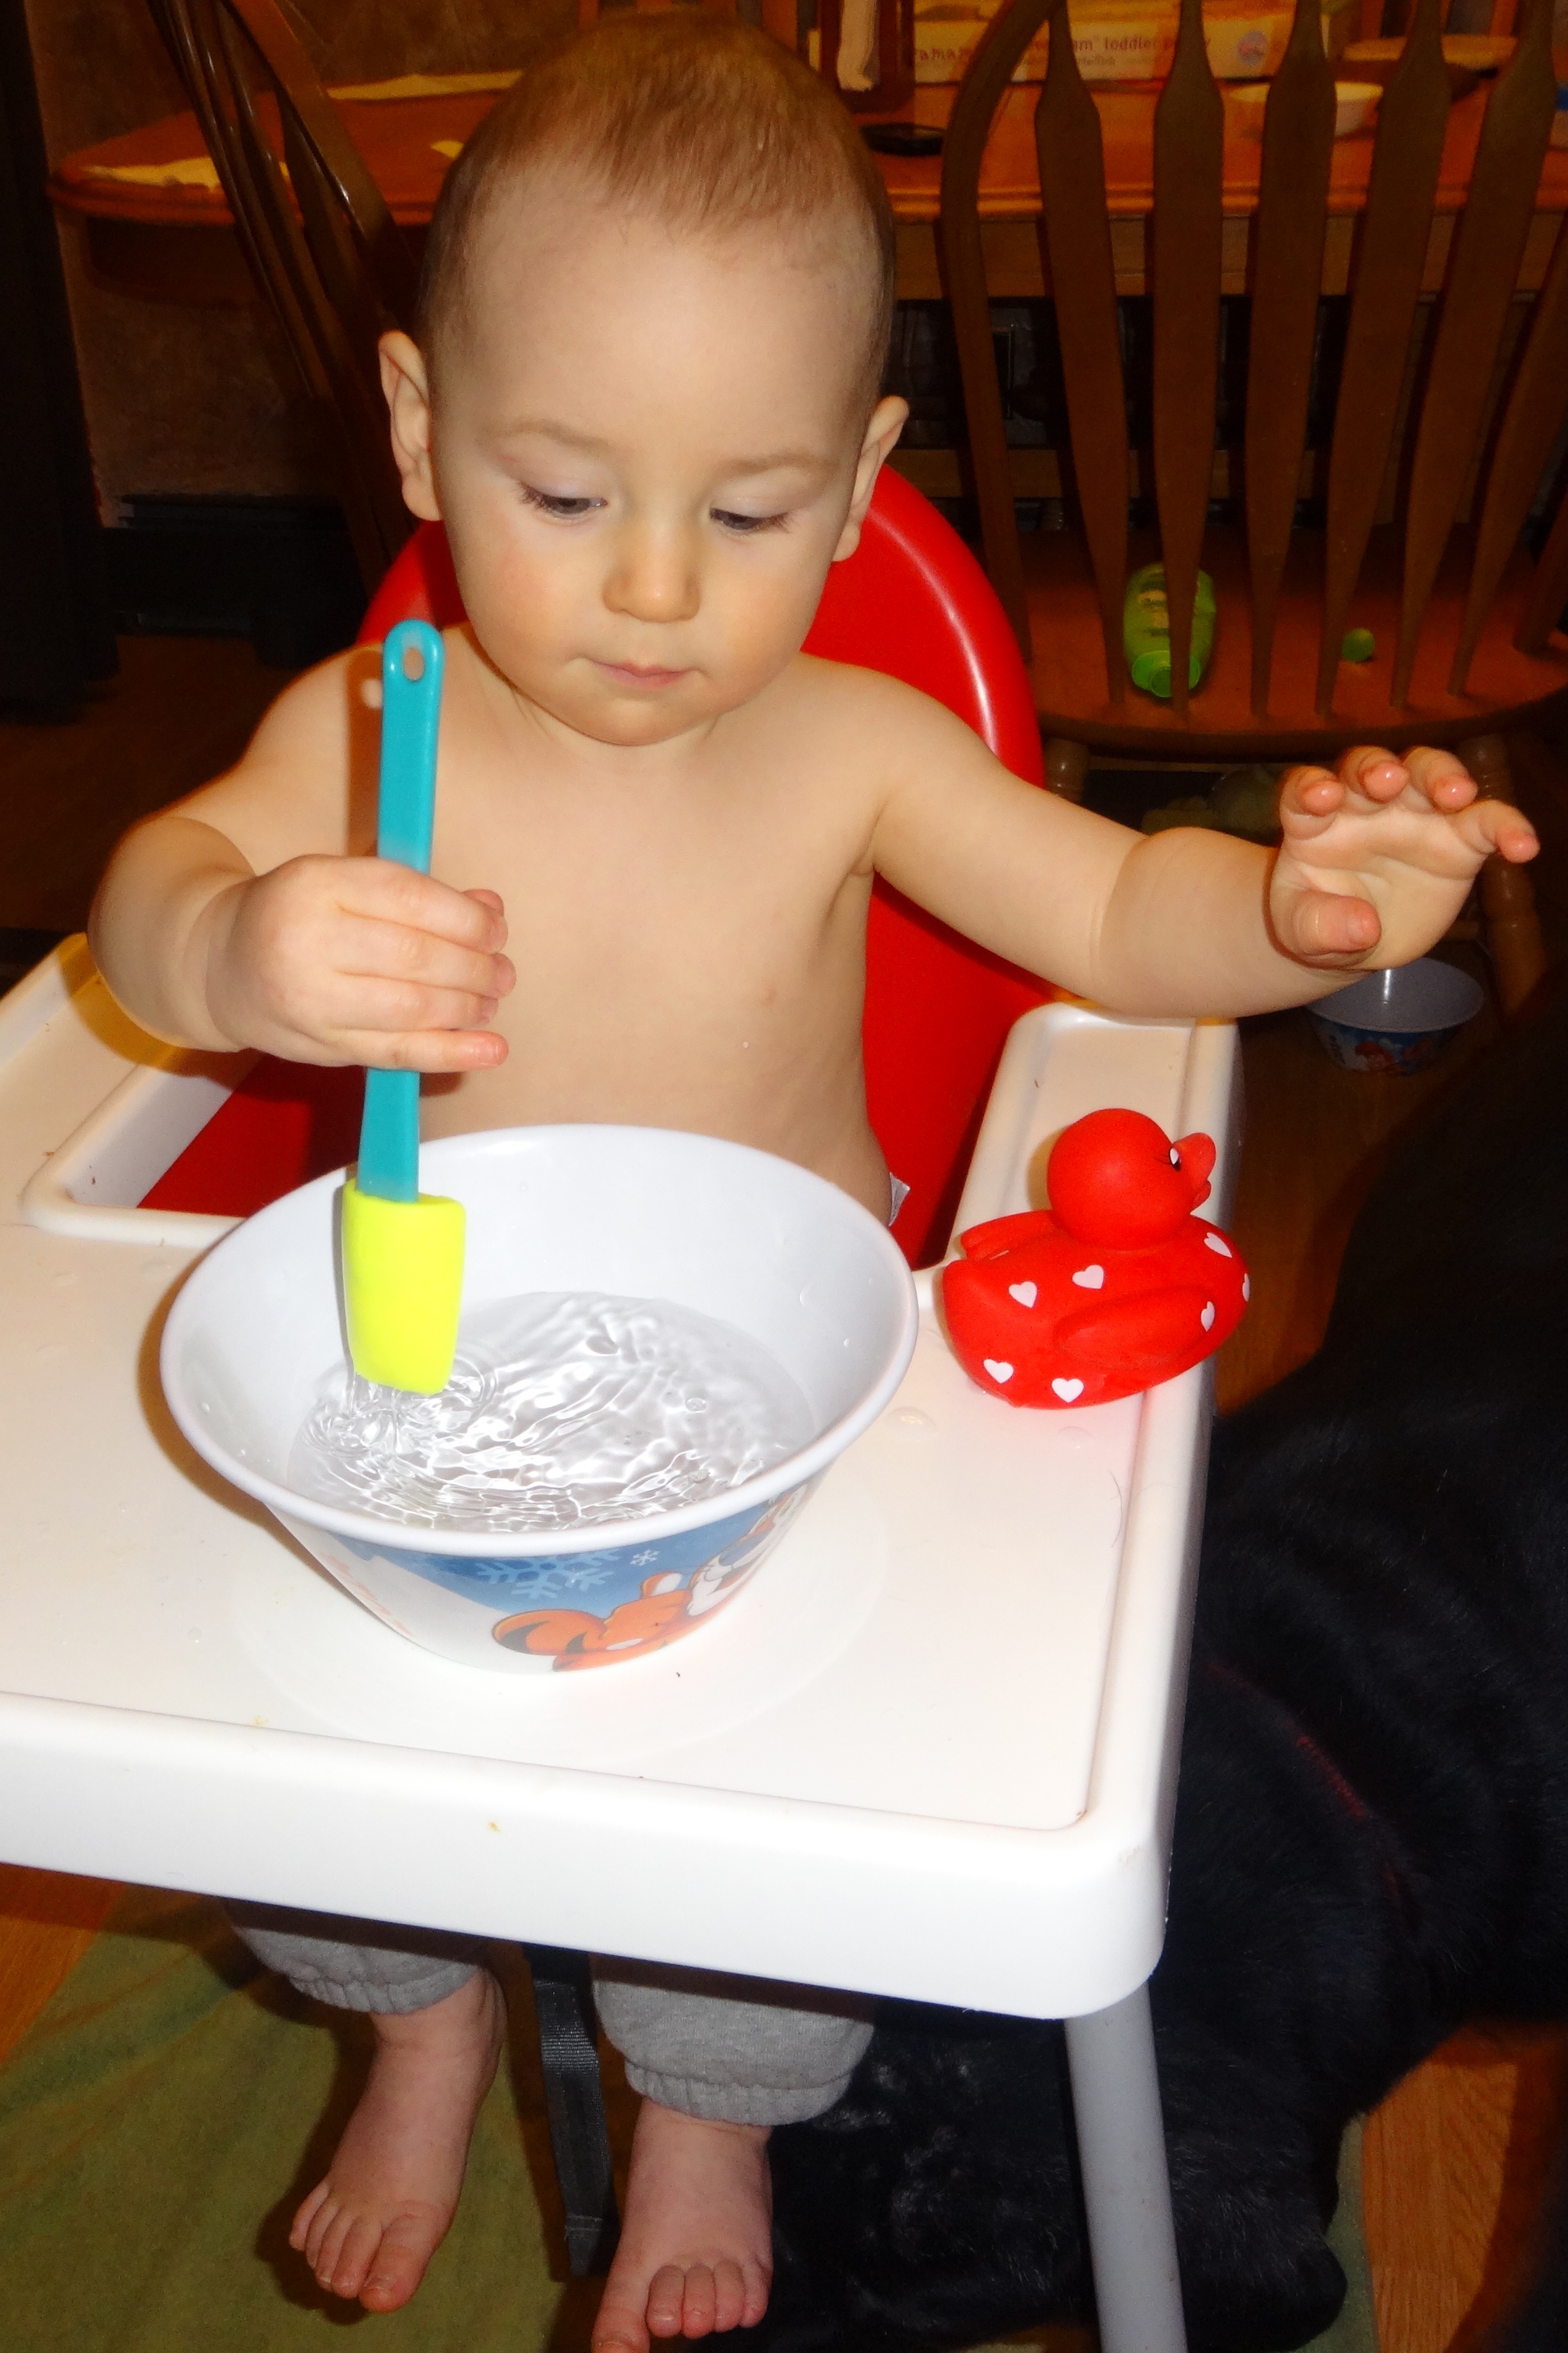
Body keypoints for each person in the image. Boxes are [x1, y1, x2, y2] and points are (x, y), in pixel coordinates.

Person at [88, 13, 1538, 2349]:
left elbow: (1112, 908)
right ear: (422, 433)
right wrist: (243, 943)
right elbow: (149, 897)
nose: (658, 591)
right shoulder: (369, 738)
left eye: (746, 513)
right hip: (431, 1389)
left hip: (775, 1412)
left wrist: (1297, 913)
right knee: (283, 1731)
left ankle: (714, 2104)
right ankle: (416, 2016)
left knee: (796, 1771)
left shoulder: (854, 749)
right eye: (568, 496)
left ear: (860, 484)